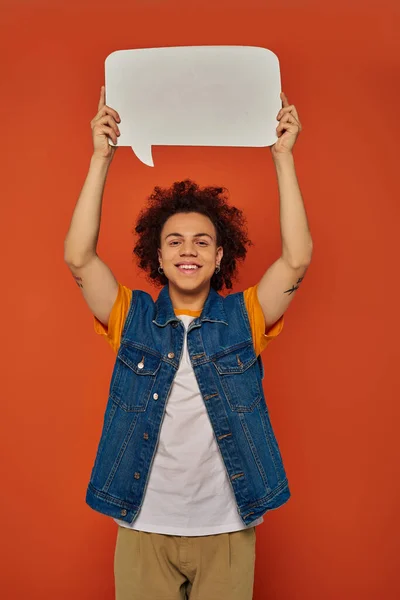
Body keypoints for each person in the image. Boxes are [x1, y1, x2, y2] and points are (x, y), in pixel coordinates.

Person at [64, 85, 312, 600]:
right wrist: (100, 158)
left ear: (220, 256)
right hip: (142, 525)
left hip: (226, 528)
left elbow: (296, 260)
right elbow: (79, 258)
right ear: (158, 255)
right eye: (175, 241)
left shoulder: (244, 318)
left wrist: (283, 158)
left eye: (202, 241)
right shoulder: (129, 318)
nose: (188, 251)